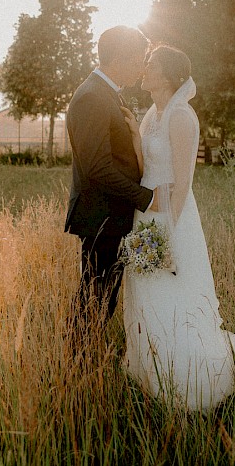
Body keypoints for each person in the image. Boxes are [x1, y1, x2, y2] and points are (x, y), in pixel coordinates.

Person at [121, 45, 235, 412]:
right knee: (146, 294)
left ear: (167, 73)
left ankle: (186, 382)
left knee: (173, 295)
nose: (143, 67)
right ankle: (152, 372)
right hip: (145, 214)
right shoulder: (152, 114)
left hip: (172, 219)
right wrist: (135, 138)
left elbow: (182, 182)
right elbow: (143, 169)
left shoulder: (182, 116)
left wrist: (165, 237)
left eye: (149, 63)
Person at [65, 26, 155, 343]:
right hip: (101, 216)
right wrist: (145, 197)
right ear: (120, 58)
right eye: (139, 60)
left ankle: (83, 359)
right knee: (95, 299)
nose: (142, 68)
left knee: (102, 297)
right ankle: (78, 363)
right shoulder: (92, 96)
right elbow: (97, 168)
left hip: (109, 215)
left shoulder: (104, 92)